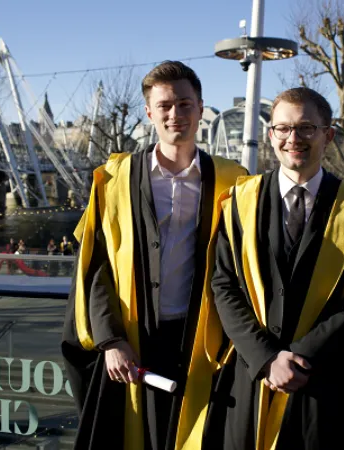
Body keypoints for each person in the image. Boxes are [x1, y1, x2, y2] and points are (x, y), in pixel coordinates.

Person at [61, 60, 246, 450]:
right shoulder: (114, 179)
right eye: (164, 106)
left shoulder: (234, 180)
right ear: (149, 112)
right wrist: (110, 340)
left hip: (202, 338)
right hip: (132, 337)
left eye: (184, 104)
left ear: (200, 107)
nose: (174, 114)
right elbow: (96, 268)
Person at [191, 87, 344, 450]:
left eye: (306, 128)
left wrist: (304, 355)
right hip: (251, 376)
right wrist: (267, 357)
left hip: (324, 381)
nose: (293, 139)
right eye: (283, 129)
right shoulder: (241, 200)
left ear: (327, 135)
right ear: (270, 135)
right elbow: (224, 284)